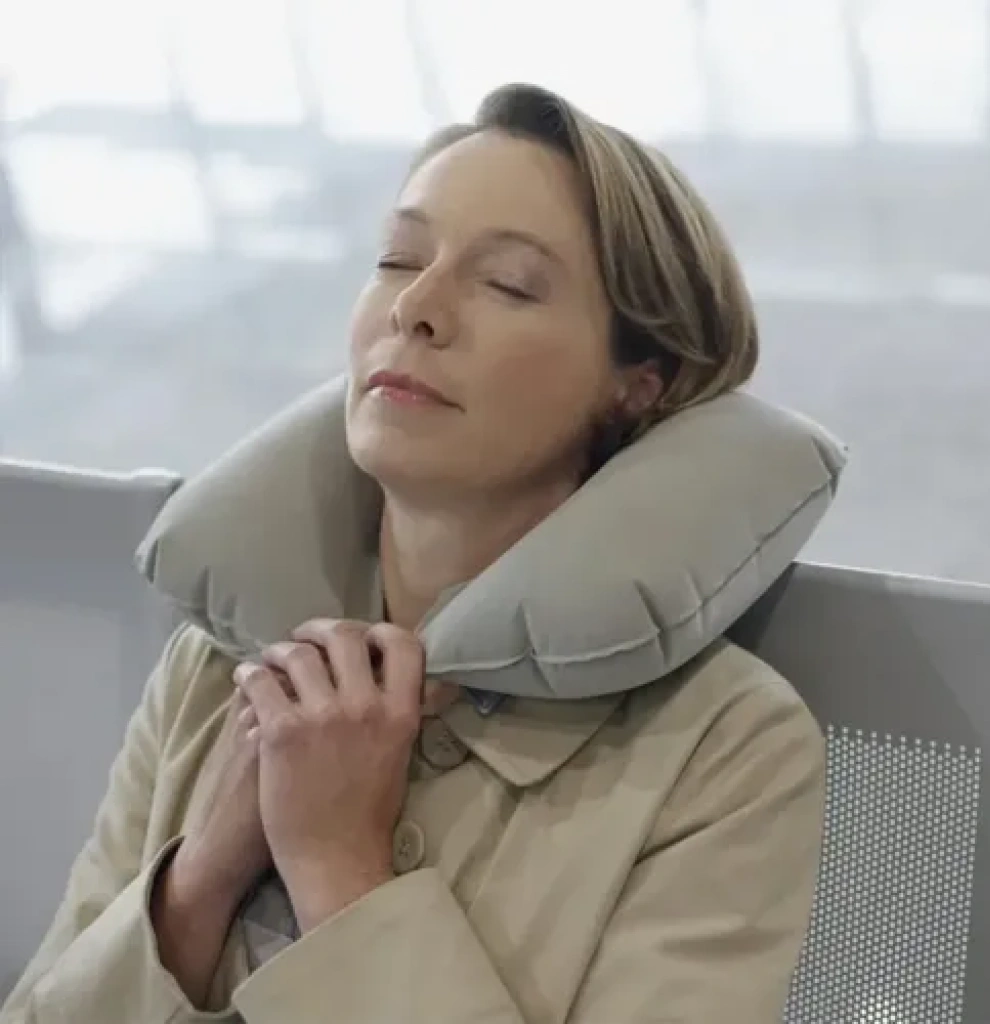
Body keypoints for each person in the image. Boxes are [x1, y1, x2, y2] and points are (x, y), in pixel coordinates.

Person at [0, 83, 825, 1023]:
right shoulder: (215, 666)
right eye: (398, 259)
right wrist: (198, 881)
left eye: (507, 283)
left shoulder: (727, 748)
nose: (418, 308)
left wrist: (337, 865)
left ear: (637, 384)